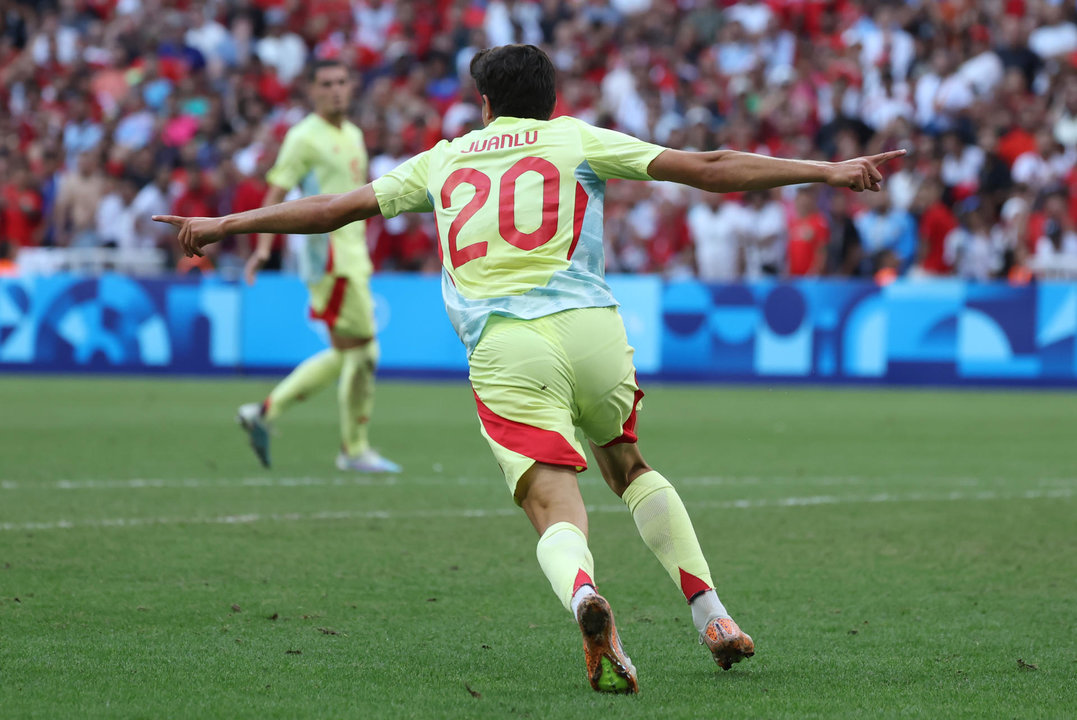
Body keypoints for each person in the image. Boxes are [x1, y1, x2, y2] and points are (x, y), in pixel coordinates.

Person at [156, 44, 904, 695]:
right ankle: (711, 614)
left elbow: (332, 210)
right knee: (628, 464)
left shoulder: (444, 158)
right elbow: (706, 168)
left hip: (507, 344)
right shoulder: (577, 139)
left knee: (553, 505)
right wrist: (826, 170)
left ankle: (584, 596)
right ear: (552, 101)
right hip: (591, 331)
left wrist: (228, 224)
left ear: (483, 103)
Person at [238, 59, 400, 474]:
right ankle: (353, 449)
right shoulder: (303, 138)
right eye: (326, 83)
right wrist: (263, 248)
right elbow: (275, 193)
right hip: (329, 260)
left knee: (351, 352)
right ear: (312, 90)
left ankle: (265, 412)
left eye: (342, 81)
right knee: (364, 351)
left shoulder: (354, 135)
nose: (336, 90)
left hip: (352, 254)